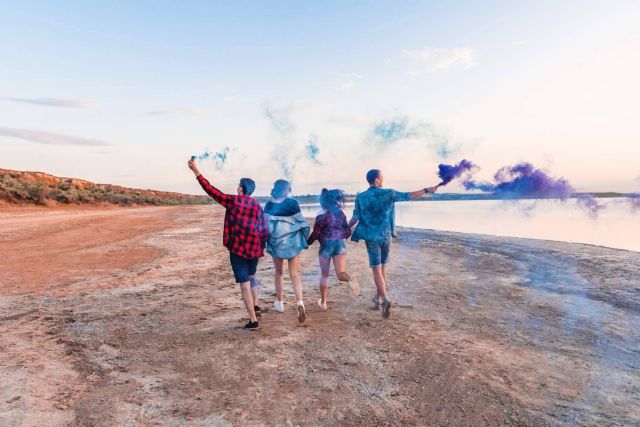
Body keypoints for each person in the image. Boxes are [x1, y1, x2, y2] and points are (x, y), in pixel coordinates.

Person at [188, 158, 268, 330]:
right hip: (254, 249)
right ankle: (256, 305)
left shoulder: (234, 201)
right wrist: (262, 246)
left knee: (245, 282)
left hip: (238, 249)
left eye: (238, 185)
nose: (237, 187)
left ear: (241, 188)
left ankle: (253, 320)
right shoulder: (257, 206)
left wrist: (196, 171)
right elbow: (264, 229)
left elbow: (211, 190)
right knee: (252, 277)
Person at [349, 169, 438, 319]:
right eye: (382, 177)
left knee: (376, 269)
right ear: (376, 180)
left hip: (372, 237)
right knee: (383, 267)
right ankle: (378, 299)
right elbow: (409, 196)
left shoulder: (361, 197)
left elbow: (355, 217)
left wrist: (345, 228)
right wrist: (427, 190)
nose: (383, 179)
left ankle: (384, 299)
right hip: (385, 235)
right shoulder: (388, 193)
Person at [264, 179, 310, 323]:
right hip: (293, 243)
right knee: (294, 274)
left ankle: (280, 303)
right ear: (287, 190)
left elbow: (266, 227)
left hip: (277, 243)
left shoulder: (269, 205)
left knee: (279, 273)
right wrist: (304, 238)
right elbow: (302, 223)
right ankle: (300, 302)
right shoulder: (293, 203)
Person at [307, 188, 360, 310]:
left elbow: (315, 233)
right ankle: (350, 278)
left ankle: (324, 302)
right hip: (340, 244)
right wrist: (342, 237)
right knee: (341, 273)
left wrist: (307, 243)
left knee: (324, 275)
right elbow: (346, 230)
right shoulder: (340, 213)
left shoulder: (321, 214)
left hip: (326, 246)